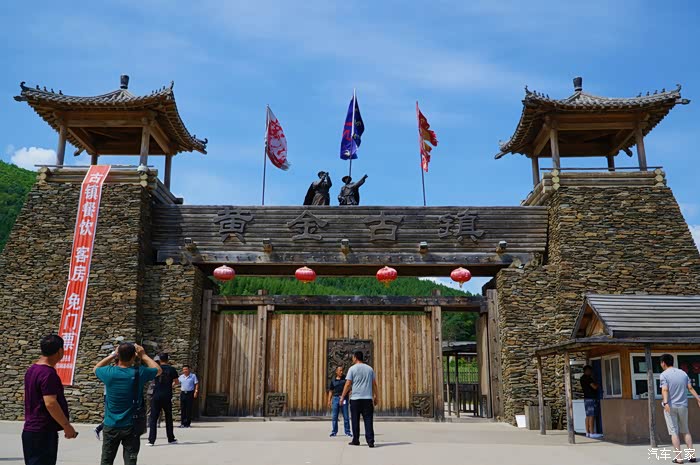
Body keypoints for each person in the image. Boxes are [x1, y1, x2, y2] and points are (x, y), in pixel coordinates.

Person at [94, 343, 161, 465]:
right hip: (131, 425)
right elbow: (158, 370)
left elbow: (96, 368)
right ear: (133, 356)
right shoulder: (139, 372)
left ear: (118, 355)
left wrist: (112, 355)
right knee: (130, 461)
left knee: (106, 461)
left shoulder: (108, 372)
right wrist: (143, 355)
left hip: (111, 425)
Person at [22, 335, 78, 465]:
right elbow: (51, 403)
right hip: (43, 432)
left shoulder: (32, 370)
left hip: (31, 430)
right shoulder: (48, 373)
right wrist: (67, 426)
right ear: (60, 351)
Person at [660, 353, 700, 463]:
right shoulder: (683, 373)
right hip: (683, 406)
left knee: (674, 432)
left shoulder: (664, 375)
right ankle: (692, 456)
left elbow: (665, 390)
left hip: (670, 406)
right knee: (686, 431)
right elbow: (690, 388)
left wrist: (665, 402)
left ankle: (679, 458)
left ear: (663, 363)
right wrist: (698, 399)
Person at [340, 351, 378, 448]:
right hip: (367, 399)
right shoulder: (370, 369)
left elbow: (348, 384)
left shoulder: (352, 369)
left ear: (355, 357)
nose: (352, 359)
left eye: (353, 357)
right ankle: (370, 441)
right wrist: (376, 396)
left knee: (355, 420)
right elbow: (374, 384)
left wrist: (342, 396)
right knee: (368, 420)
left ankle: (356, 440)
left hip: (355, 399)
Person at [148, 353, 179, 445]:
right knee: (168, 417)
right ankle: (171, 438)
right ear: (167, 359)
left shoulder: (156, 368)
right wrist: (170, 386)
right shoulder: (172, 369)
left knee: (153, 418)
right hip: (167, 395)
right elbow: (176, 382)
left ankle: (151, 440)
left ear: (159, 360)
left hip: (156, 394)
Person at [327, 366, 351, 437]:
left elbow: (349, 388)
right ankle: (334, 432)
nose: (341, 372)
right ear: (336, 372)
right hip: (335, 398)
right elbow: (331, 391)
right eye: (340, 370)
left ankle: (347, 432)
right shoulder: (333, 380)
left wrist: (347, 394)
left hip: (344, 399)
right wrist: (329, 400)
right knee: (334, 416)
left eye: (342, 370)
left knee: (346, 416)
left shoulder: (345, 379)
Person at [580, 365, 601, 438]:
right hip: (591, 398)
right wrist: (598, 384)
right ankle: (592, 433)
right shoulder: (588, 378)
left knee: (587, 415)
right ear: (587, 370)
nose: (591, 372)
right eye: (590, 371)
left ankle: (587, 432)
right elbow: (594, 387)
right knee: (591, 415)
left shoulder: (582, 378)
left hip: (586, 398)